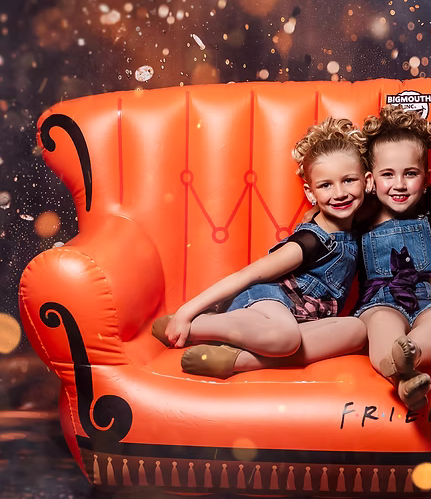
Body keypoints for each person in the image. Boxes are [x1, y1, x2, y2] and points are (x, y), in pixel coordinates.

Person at [149, 117, 372, 378]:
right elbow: (248, 275)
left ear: (367, 182)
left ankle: (236, 358)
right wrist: (188, 311)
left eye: (349, 180)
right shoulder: (310, 242)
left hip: (303, 320)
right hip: (266, 302)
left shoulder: (358, 223)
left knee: (357, 330)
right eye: (326, 185)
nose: (340, 193)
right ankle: (200, 325)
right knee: (286, 338)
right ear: (310, 193)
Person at [354, 105, 431, 411]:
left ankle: (410, 358)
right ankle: (400, 368)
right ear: (371, 179)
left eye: (410, 174)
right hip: (381, 298)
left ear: (425, 178)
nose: (399, 184)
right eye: (388, 174)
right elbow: (322, 234)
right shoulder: (359, 216)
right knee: (381, 324)